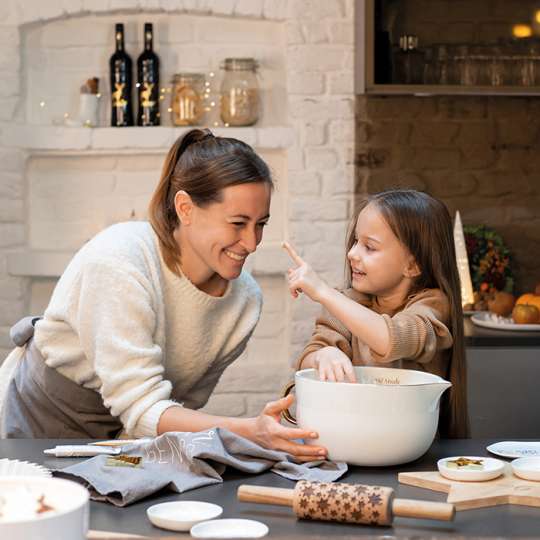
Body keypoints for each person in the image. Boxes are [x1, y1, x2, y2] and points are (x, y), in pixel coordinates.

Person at [0, 128, 327, 461]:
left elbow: (171, 409)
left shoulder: (244, 302)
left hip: (126, 440)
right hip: (36, 427)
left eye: (261, 224)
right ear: (185, 208)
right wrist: (248, 431)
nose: (252, 243)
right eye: (238, 223)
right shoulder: (119, 260)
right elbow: (142, 408)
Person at [283, 189, 469, 439]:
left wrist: (323, 291)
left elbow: (394, 339)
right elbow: (308, 358)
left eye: (369, 247)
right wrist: (322, 355)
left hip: (411, 448)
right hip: (349, 443)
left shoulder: (434, 305)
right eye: (355, 242)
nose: (352, 253)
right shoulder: (347, 302)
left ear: (412, 265)